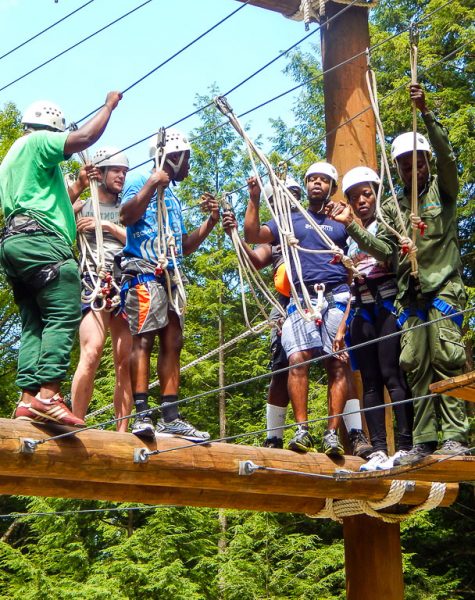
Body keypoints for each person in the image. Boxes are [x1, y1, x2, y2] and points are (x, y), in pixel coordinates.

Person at [331, 84, 469, 465]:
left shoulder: (443, 194)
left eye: (418, 162)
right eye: (406, 164)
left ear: (426, 163)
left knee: (446, 359)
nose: (413, 168)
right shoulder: (393, 207)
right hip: (412, 297)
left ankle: (455, 435)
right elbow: (388, 253)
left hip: (442, 288)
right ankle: (424, 441)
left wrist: (426, 114)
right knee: (416, 368)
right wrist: (354, 228)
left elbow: (447, 159)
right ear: (398, 169)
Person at [0, 92, 122, 426]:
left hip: (16, 242)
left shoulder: (12, 159)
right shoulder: (39, 141)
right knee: (64, 312)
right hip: (43, 244)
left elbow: (45, 201)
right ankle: (49, 395)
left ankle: (27, 400)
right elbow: (86, 137)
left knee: (34, 324)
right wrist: (109, 104)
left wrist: (79, 185)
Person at [244, 162, 372, 456]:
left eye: (323, 180)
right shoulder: (290, 220)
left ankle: (331, 433)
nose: (317, 184)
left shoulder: (341, 218)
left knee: (337, 363)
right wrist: (254, 198)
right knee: (296, 359)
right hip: (301, 299)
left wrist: (350, 221)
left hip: (337, 296)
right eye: (312, 179)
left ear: (331, 187)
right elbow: (253, 235)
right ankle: (302, 429)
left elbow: (367, 244)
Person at [119, 128, 220, 441]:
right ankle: (141, 413)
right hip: (144, 271)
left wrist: (210, 223)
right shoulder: (139, 181)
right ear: (173, 156)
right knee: (144, 339)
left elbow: (183, 246)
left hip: (170, 274)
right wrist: (151, 184)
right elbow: (126, 215)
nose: (189, 165)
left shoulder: (174, 197)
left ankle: (171, 415)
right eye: (186, 159)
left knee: (173, 340)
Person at [340, 166, 413, 471]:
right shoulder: (351, 241)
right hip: (362, 309)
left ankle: (406, 444)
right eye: (355, 197)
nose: (361, 202)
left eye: (366, 194)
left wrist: (351, 228)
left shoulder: (387, 226)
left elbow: (385, 254)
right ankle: (379, 448)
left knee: (392, 376)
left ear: (377, 194)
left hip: (386, 308)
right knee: (370, 383)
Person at [69, 147, 132, 432]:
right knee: (92, 351)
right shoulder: (83, 205)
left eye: (125, 171)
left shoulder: (127, 208)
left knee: (125, 360)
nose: (122, 175)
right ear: (103, 173)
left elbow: (138, 239)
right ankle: (75, 421)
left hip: (126, 278)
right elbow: (59, 218)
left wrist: (105, 224)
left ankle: (122, 432)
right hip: (94, 278)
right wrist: (77, 191)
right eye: (116, 170)